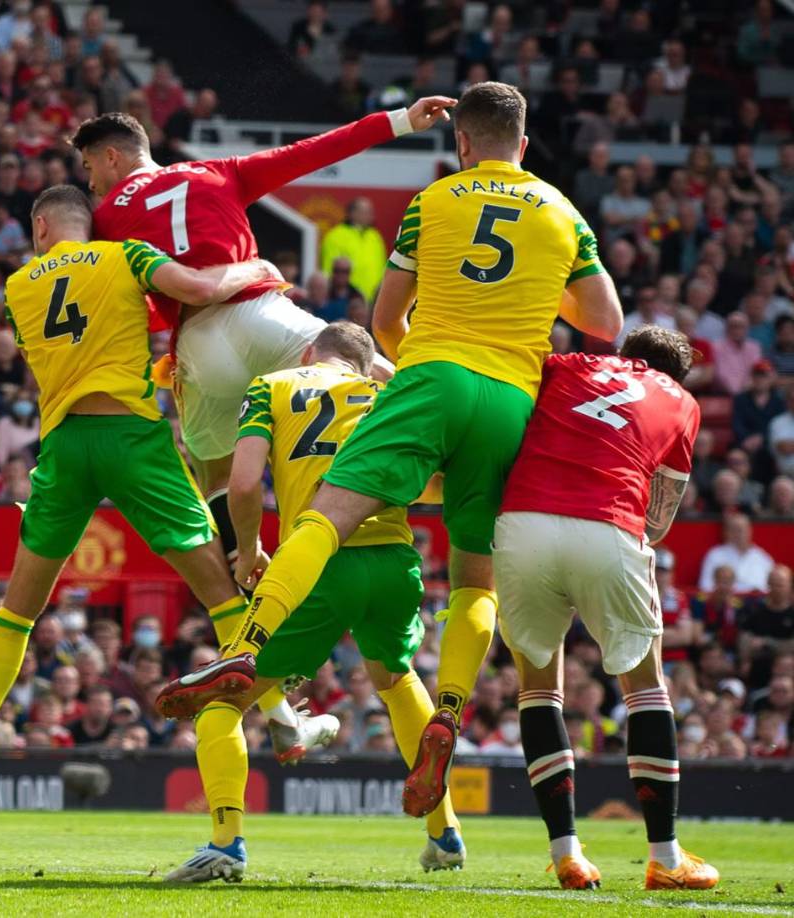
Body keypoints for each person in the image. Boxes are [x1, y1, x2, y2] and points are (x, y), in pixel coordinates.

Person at [158, 82, 623, 821]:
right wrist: (537, 292)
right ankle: (448, 709)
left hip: (434, 374)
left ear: (462, 144)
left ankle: (249, 645)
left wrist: (421, 365)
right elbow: (605, 321)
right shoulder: (564, 212)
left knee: (327, 511)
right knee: (476, 579)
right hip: (511, 398)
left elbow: (384, 318)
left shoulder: (435, 203)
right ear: (524, 145)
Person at [0, 186, 330, 789]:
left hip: (65, 444)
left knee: (19, 606)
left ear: (41, 227)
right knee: (219, 590)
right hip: (131, 439)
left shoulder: (16, 290)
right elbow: (200, 291)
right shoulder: (126, 256)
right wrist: (255, 268)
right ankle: (283, 718)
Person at [71, 96, 454, 567]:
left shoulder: (105, 221)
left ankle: (243, 566)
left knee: (213, 472)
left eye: (90, 166)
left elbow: (123, 305)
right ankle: (458, 440)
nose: (91, 182)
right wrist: (400, 120)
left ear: (113, 156)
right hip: (262, 314)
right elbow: (315, 150)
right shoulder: (218, 171)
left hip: (197, 344)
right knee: (363, 365)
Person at [163, 323, 462, 884]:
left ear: (308, 353)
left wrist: (250, 550)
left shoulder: (271, 385)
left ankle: (225, 844)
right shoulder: (387, 396)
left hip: (318, 560)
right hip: (395, 561)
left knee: (223, 702)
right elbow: (436, 483)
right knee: (396, 681)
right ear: (368, 365)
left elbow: (246, 483)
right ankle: (443, 833)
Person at [492, 326, 717, 890]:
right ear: (676, 375)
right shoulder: (683, 403)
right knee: (645, 689)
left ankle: (567, 853)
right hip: (610, 523)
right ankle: (665, 858)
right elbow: (661, 516)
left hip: (522, 522)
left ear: (624, 356)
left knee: (538, 689)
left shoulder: (568, 365)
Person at [319, 197, 388, 302]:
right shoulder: (336, 236)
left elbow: (384, 268)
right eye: (365, 211)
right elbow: (328, 270)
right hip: (347, 299)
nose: (370, 215)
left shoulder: (375, 236)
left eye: (370, 211)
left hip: (375, 300)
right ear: (351, 213)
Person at [698, 513, 775, 593]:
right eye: (734, 529)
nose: (739, 534)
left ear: (750, 530)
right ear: (726, 532)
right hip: (726, 603)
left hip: (757, 603)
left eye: (742, 529)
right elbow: (705, 586)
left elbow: (772, 589)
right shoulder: (715, 556)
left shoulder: (763, 558)